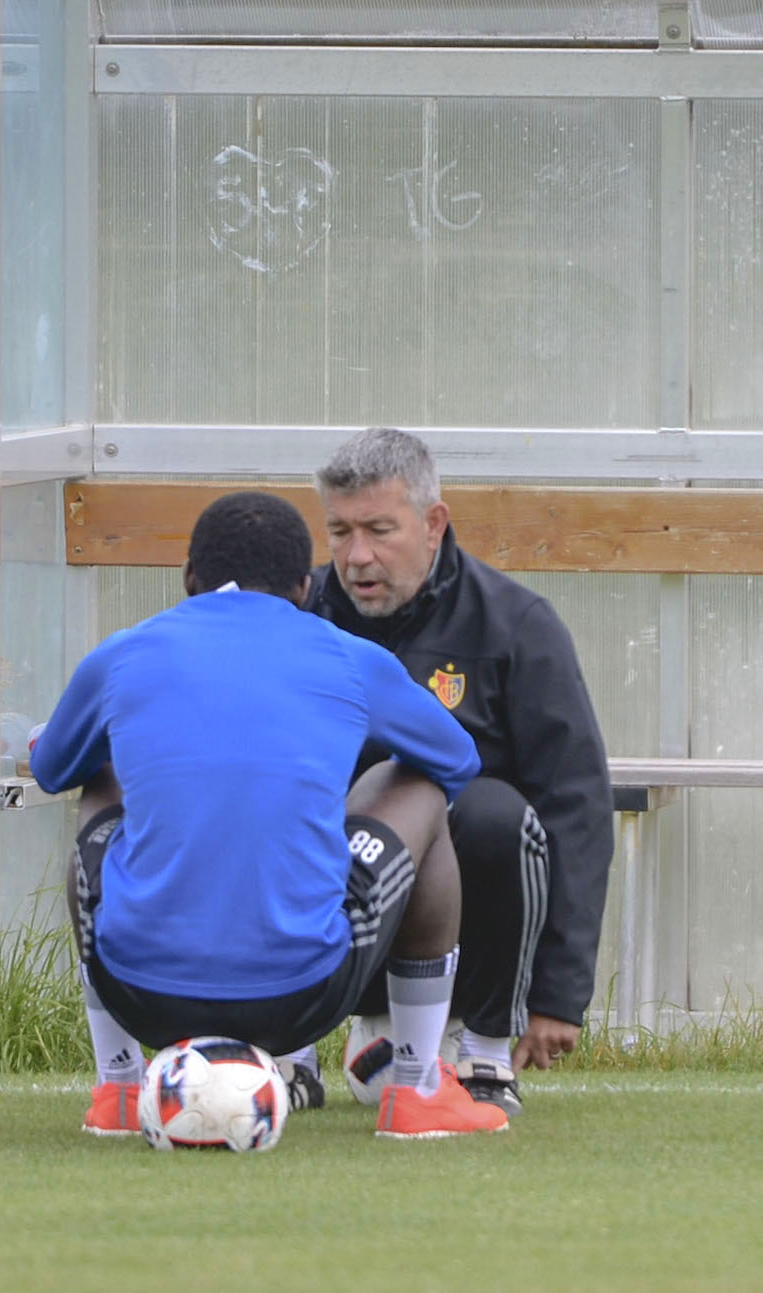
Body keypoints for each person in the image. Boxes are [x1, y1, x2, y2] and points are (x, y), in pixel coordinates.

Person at [31, 489, 508, 1140]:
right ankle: (417, 1086)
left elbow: (52, 767)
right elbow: (456, 758)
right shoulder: (348, 655)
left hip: (138, 990)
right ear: (304, 589)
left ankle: (117, 1085)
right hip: (303, 994)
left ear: (189, 580)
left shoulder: (123, 653)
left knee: (99, 772)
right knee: (417, 783)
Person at [290, 427, 615, 1118]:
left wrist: (558, 991)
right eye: (339, 531)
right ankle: (291, 1044)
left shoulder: (517, 626)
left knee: (493, 813)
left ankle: (484, 1048)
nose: (356, 556)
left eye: (380, 529)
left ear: (433, 522)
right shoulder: (295, 618)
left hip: (464, 938)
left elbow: (577, 805)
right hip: (328, 930)